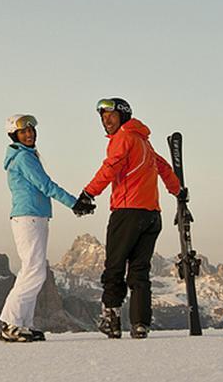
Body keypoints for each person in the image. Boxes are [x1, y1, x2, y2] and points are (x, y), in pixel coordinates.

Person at [75, 98, 182, 340]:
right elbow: (164, 167)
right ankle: (140, 324)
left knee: (114, 266)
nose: (106, 120)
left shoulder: (123, 137)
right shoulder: (143, 140)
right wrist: (178, 191)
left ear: (123, 115)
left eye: (110, 115)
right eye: (103, 117)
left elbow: (111, 166)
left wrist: (88, 193)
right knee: (139, 270)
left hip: (127, 212)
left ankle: (111, 320)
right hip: (152, 216)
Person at [0, 113, 95, 343]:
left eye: (31, 130)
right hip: (29, 216)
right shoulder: (23, 158)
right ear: (14, 135)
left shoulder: (25, 156)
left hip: (33, 216)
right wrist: (75, 203)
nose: (29, 134)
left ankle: (23, 324)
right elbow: (45, 185)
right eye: (23, 131)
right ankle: (11, 324)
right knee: (34, 270)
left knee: (31, 269)